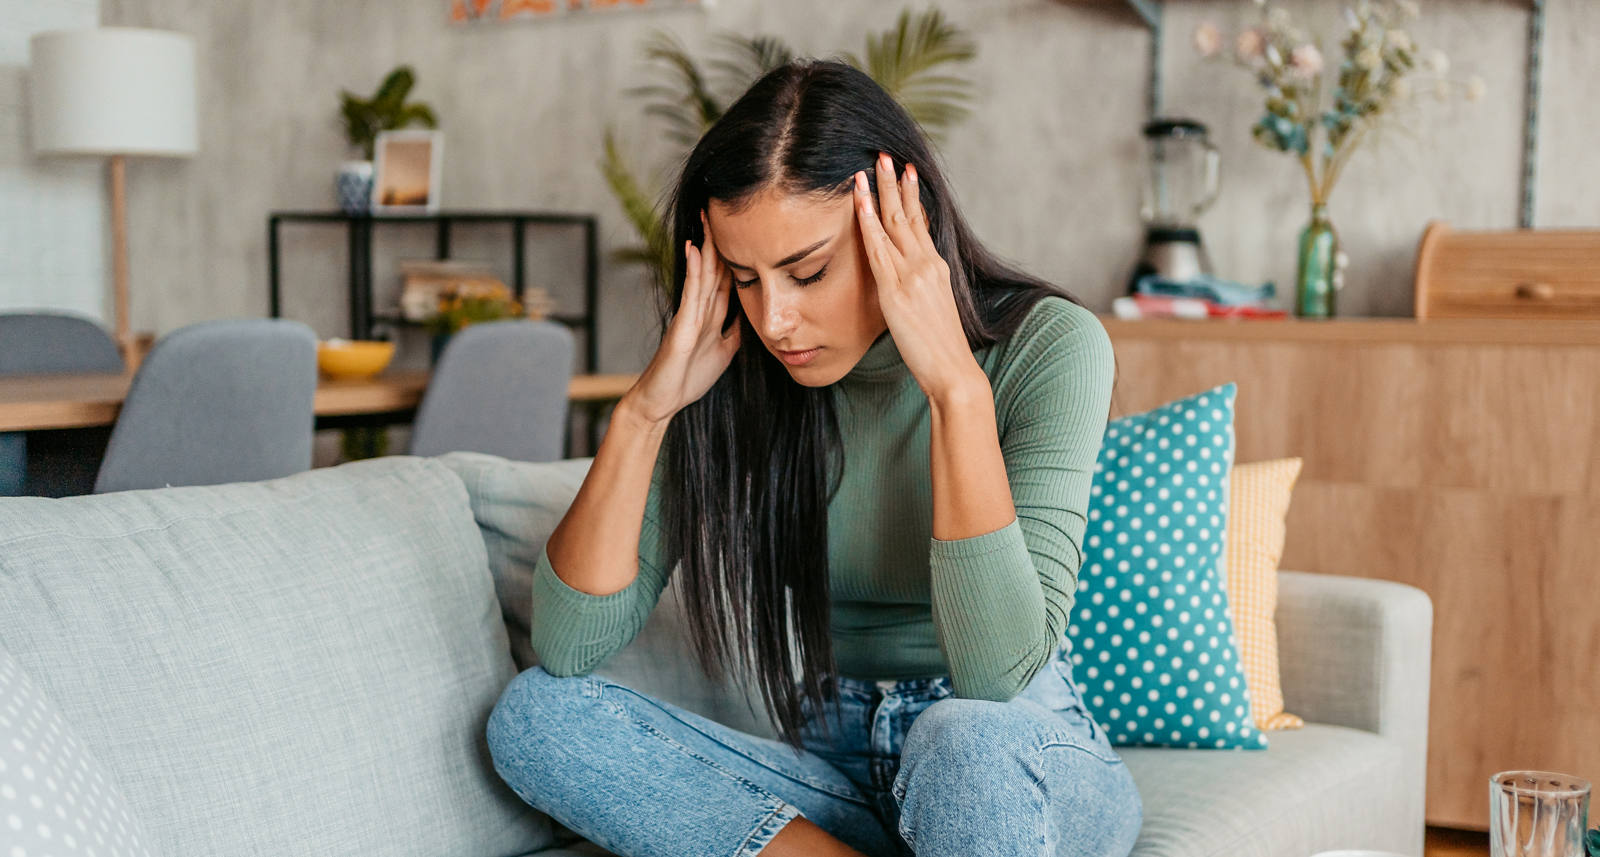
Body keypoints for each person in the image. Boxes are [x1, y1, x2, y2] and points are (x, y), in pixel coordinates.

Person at [485, 59, 1142, 857]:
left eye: (808, 271)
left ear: (904, 224)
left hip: (1013, 752)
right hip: (834, 766)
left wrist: (954, 391)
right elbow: (568, 645)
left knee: (963, 738)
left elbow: (996, 671)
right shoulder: (734, 378)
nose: (776, 319)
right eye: (744, 278)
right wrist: (644, 410)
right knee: (536, 717)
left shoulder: (1049, 347)